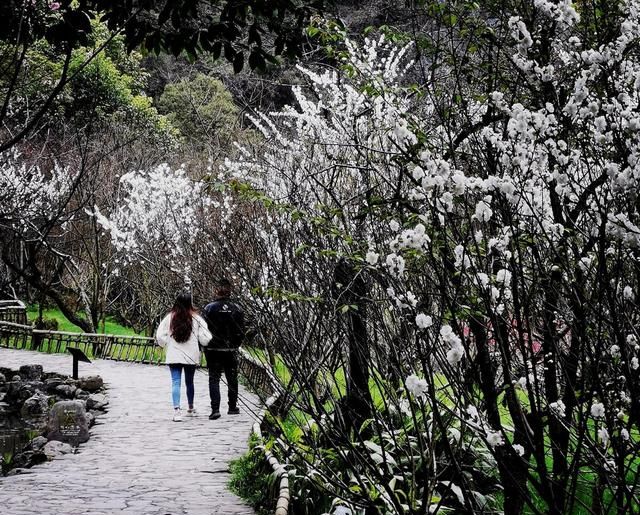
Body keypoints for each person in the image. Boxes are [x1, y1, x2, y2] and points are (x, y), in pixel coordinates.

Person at [156, 292, 211, 422]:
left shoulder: (169, 318)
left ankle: (177, 411)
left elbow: (160, 336)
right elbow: (206, 337)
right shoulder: (197, 318)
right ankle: (191, 407)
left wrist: (165, 343)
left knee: (176, 382)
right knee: (189, 382)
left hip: (174, 354)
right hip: (190, 355)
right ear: (190, 303)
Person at [202, 278, 245, 420]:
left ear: (216, 290)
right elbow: (241, 330)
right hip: (231, 349)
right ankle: (232, 406)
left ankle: (215, 409)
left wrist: (205, 345)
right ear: (230, 291)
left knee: (214, 378)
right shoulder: (237, 308)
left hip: (213, 349)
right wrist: (236, 343)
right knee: (232, 377)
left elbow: (203, 329)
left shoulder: (209, 308)